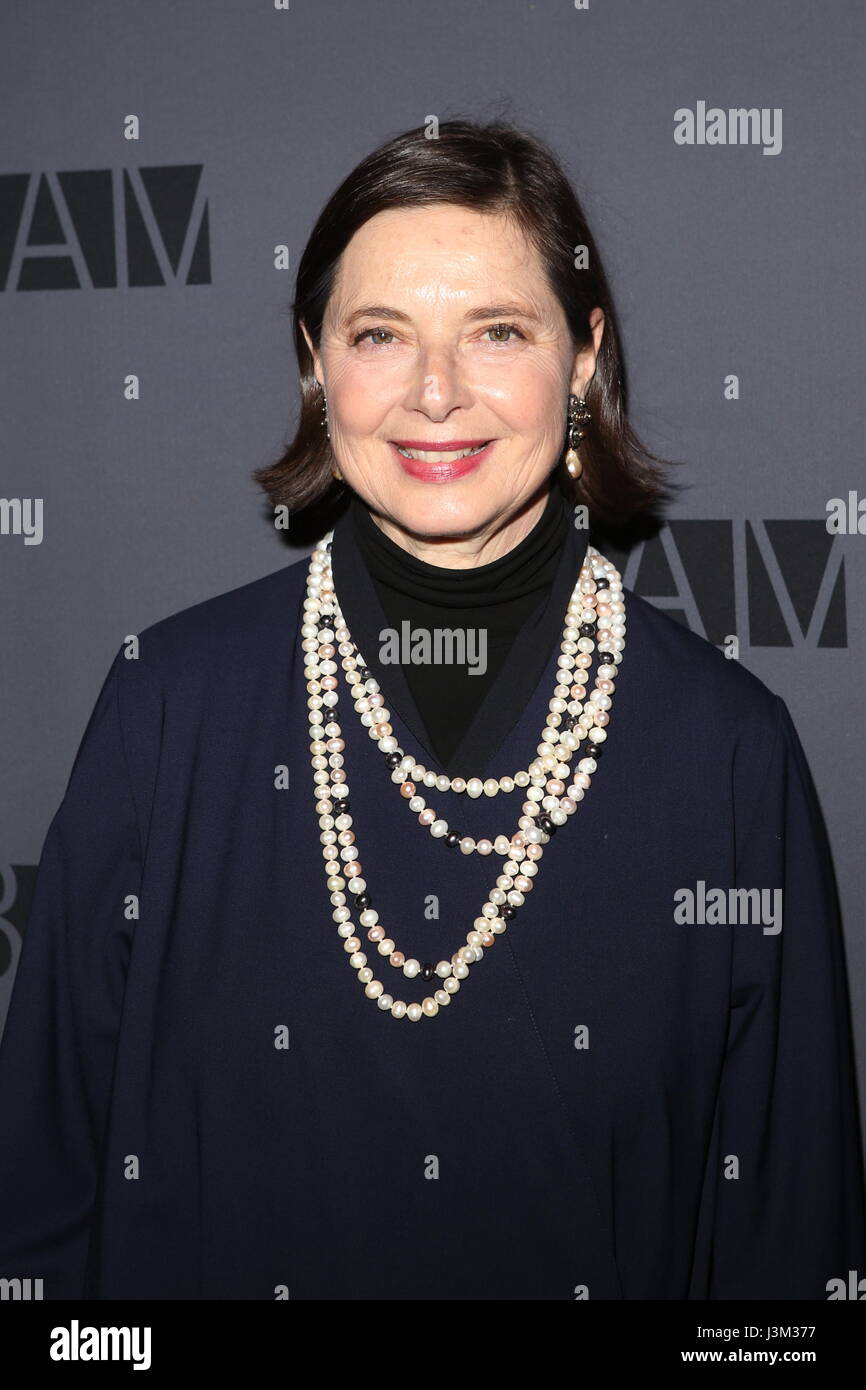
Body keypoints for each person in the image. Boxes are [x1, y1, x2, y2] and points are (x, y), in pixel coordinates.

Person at [0, 119, 862, 1300]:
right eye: (379, 335)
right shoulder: (168, 706)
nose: (435, 392)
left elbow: (782, 1240)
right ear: (318, 365)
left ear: (581, 359)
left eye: (496, 331)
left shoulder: (723, 753)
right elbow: (38, 1202)